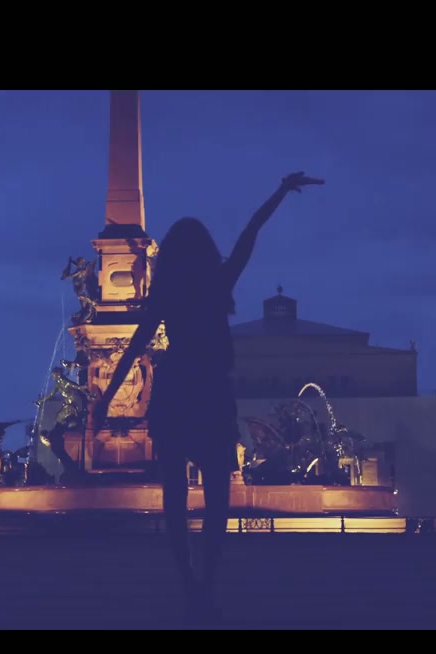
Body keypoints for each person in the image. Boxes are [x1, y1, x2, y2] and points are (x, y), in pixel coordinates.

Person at [93, 171, 325, 621]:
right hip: (211, 392)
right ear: (205, 251)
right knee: (218, 495)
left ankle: (187, 582)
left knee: (175, 496)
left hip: (175, 391)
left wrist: (105, 400)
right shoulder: (219, 283)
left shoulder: (167, 295)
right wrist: (279, 191)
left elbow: (136, 345)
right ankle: (207, 581)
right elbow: (250, 234)